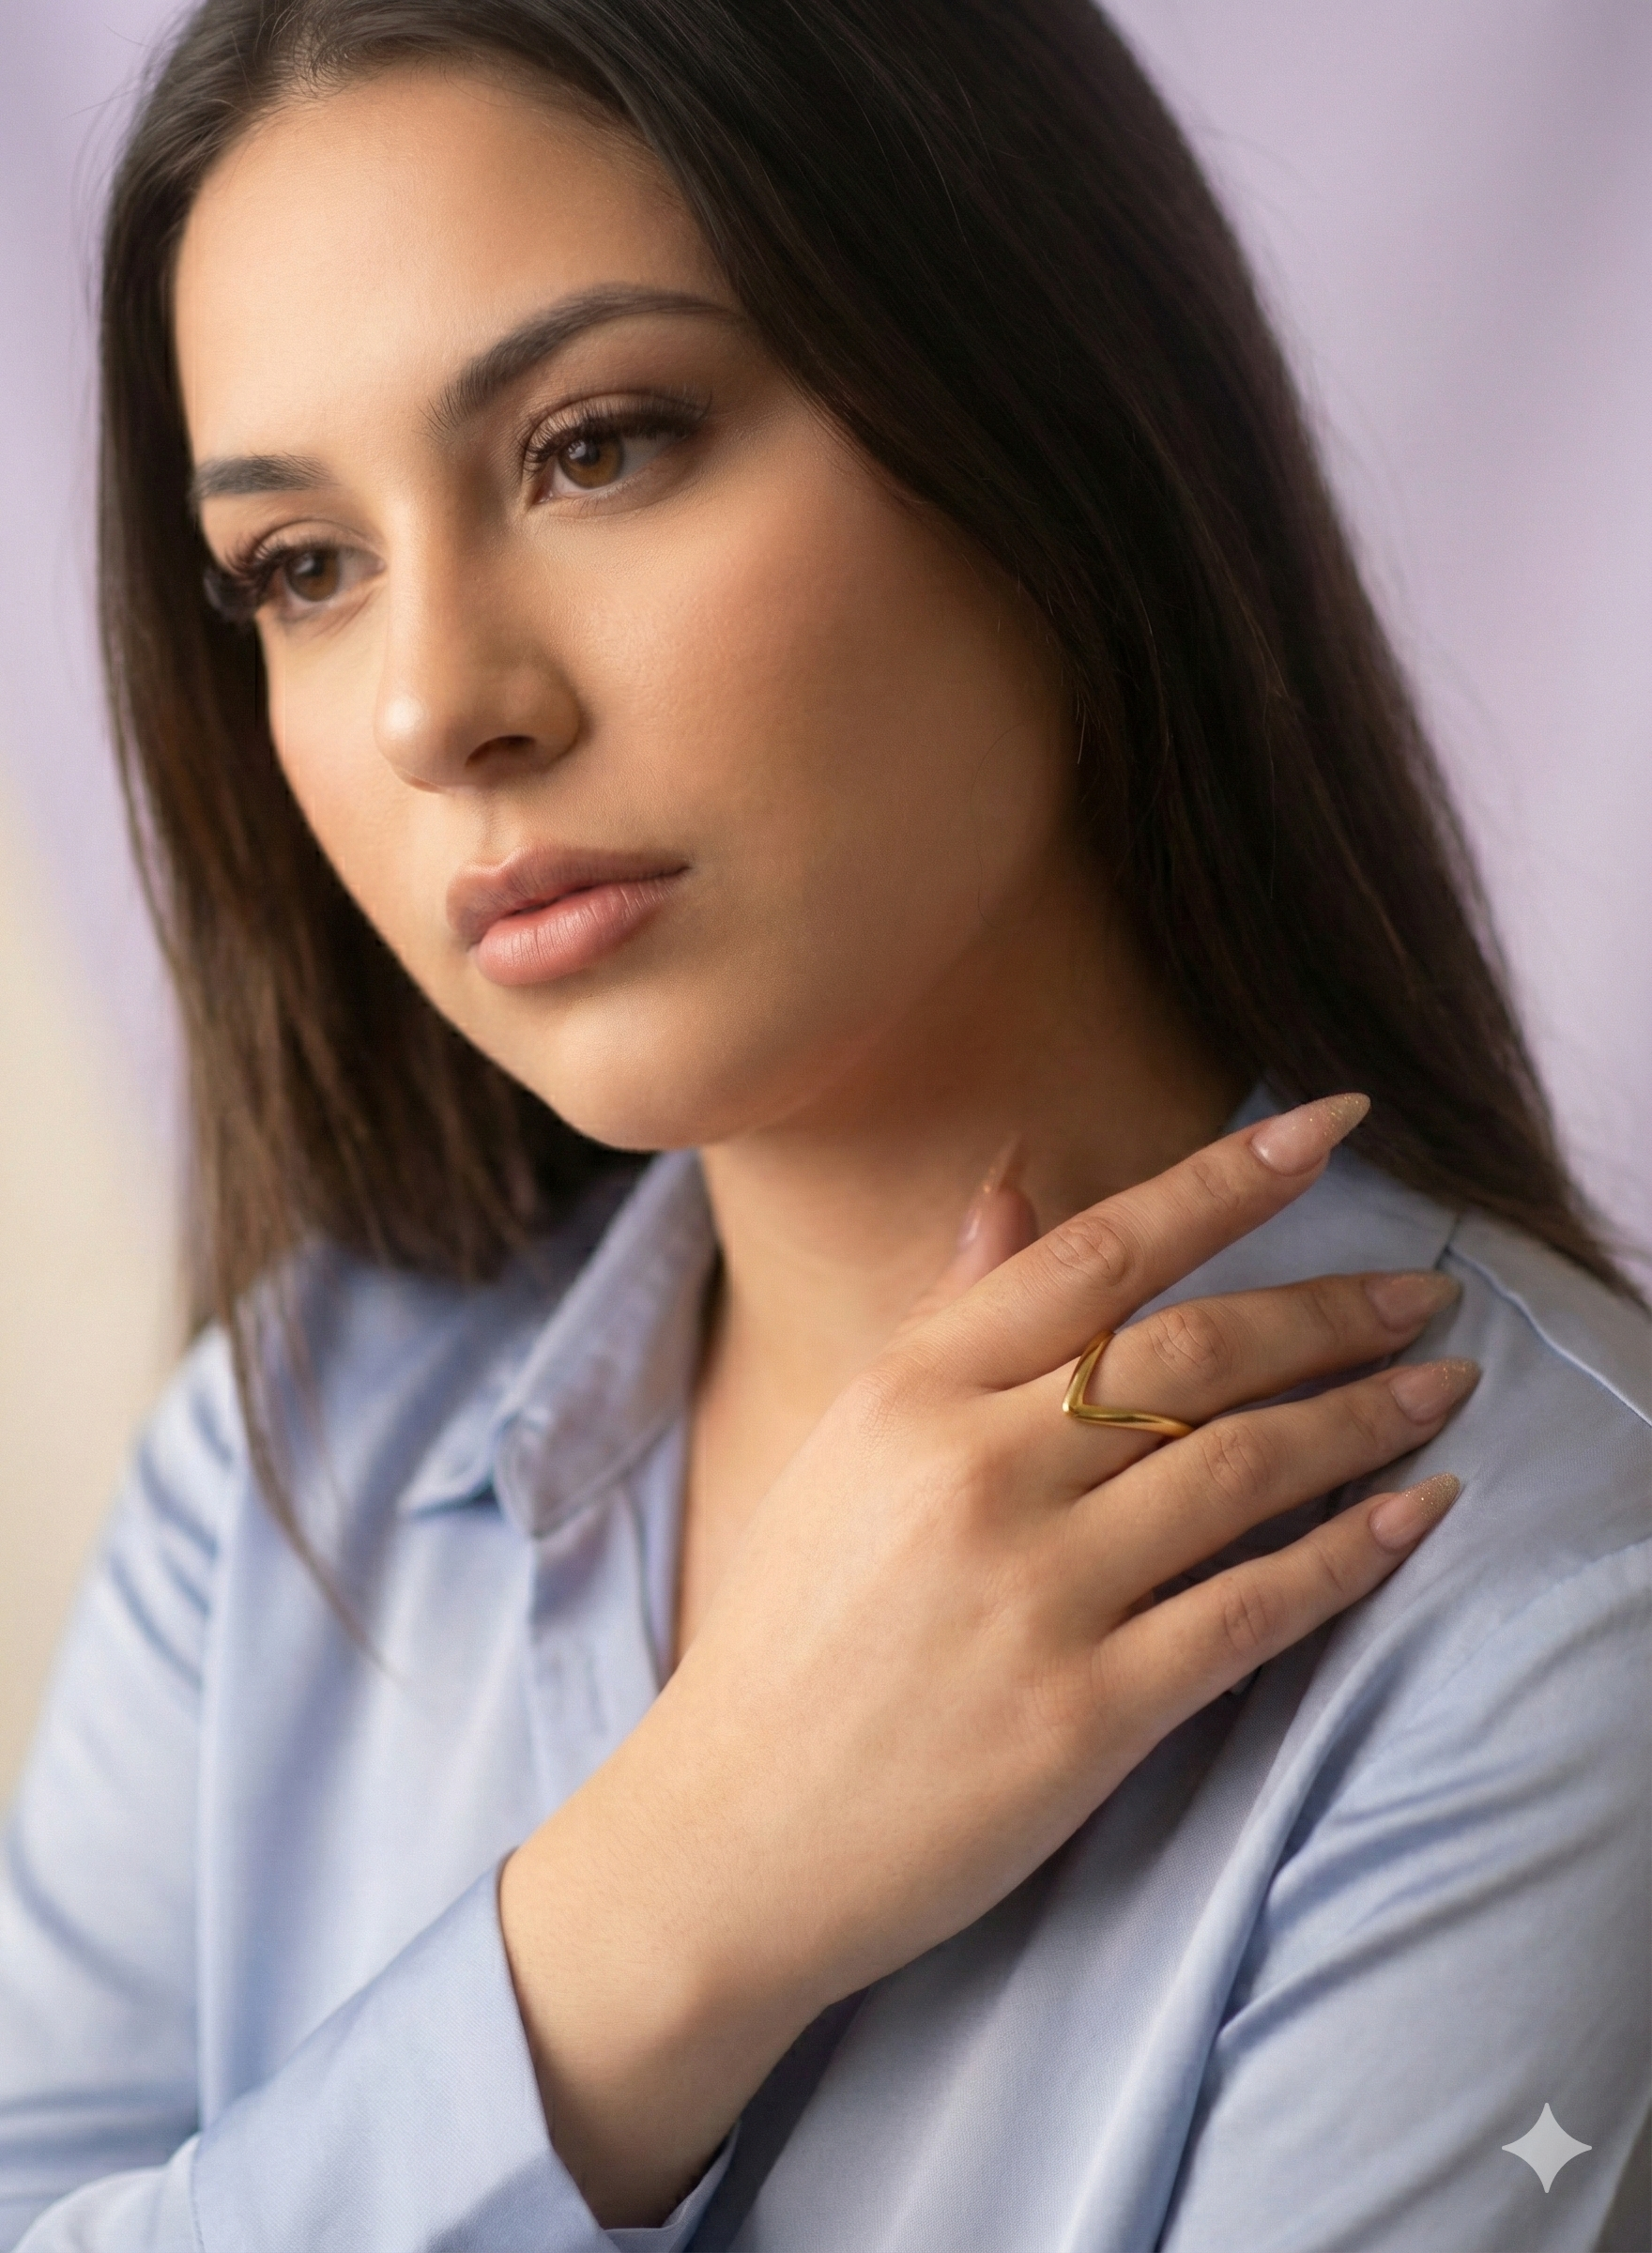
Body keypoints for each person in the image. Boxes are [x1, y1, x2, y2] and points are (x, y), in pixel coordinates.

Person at [1, 1, 1646, 2245]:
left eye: (597, 446)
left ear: (1043, 413)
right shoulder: (288, 1463)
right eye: (301, 565)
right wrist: (669, 1910)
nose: (432, 706)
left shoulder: (1549, 1630)